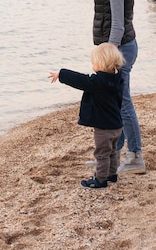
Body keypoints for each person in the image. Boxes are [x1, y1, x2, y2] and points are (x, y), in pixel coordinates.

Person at [89, 0, 146, 174]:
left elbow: (118, 21)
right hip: (123, 46)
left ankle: (135, 158)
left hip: (120, 48)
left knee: (122, 104)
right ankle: (114, 154)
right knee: (116, 102)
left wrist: (109, 53)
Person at [49, 43, 124, 189]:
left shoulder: (97, 82)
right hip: (117, 125)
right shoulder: (118, 78)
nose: (92, 66)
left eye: (94, 63)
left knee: (102, 154)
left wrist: (61, 74)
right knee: (113, 151)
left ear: (101, 64)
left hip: (104, 128)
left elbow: (80, 80)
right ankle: (112, 174)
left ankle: (101, 180)